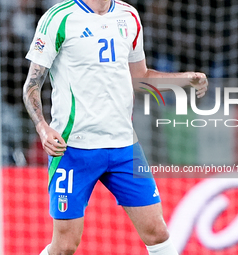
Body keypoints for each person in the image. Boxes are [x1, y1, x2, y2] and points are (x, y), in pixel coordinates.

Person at [22, 0, 208, 254]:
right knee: (65, 246)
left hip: (124, 147)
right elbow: (32, 84)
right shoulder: (58, 18)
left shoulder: (129, 15)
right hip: (73, 148)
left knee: (158, 233)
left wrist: (185, 79)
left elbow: (140, 78)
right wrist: (43, 127)